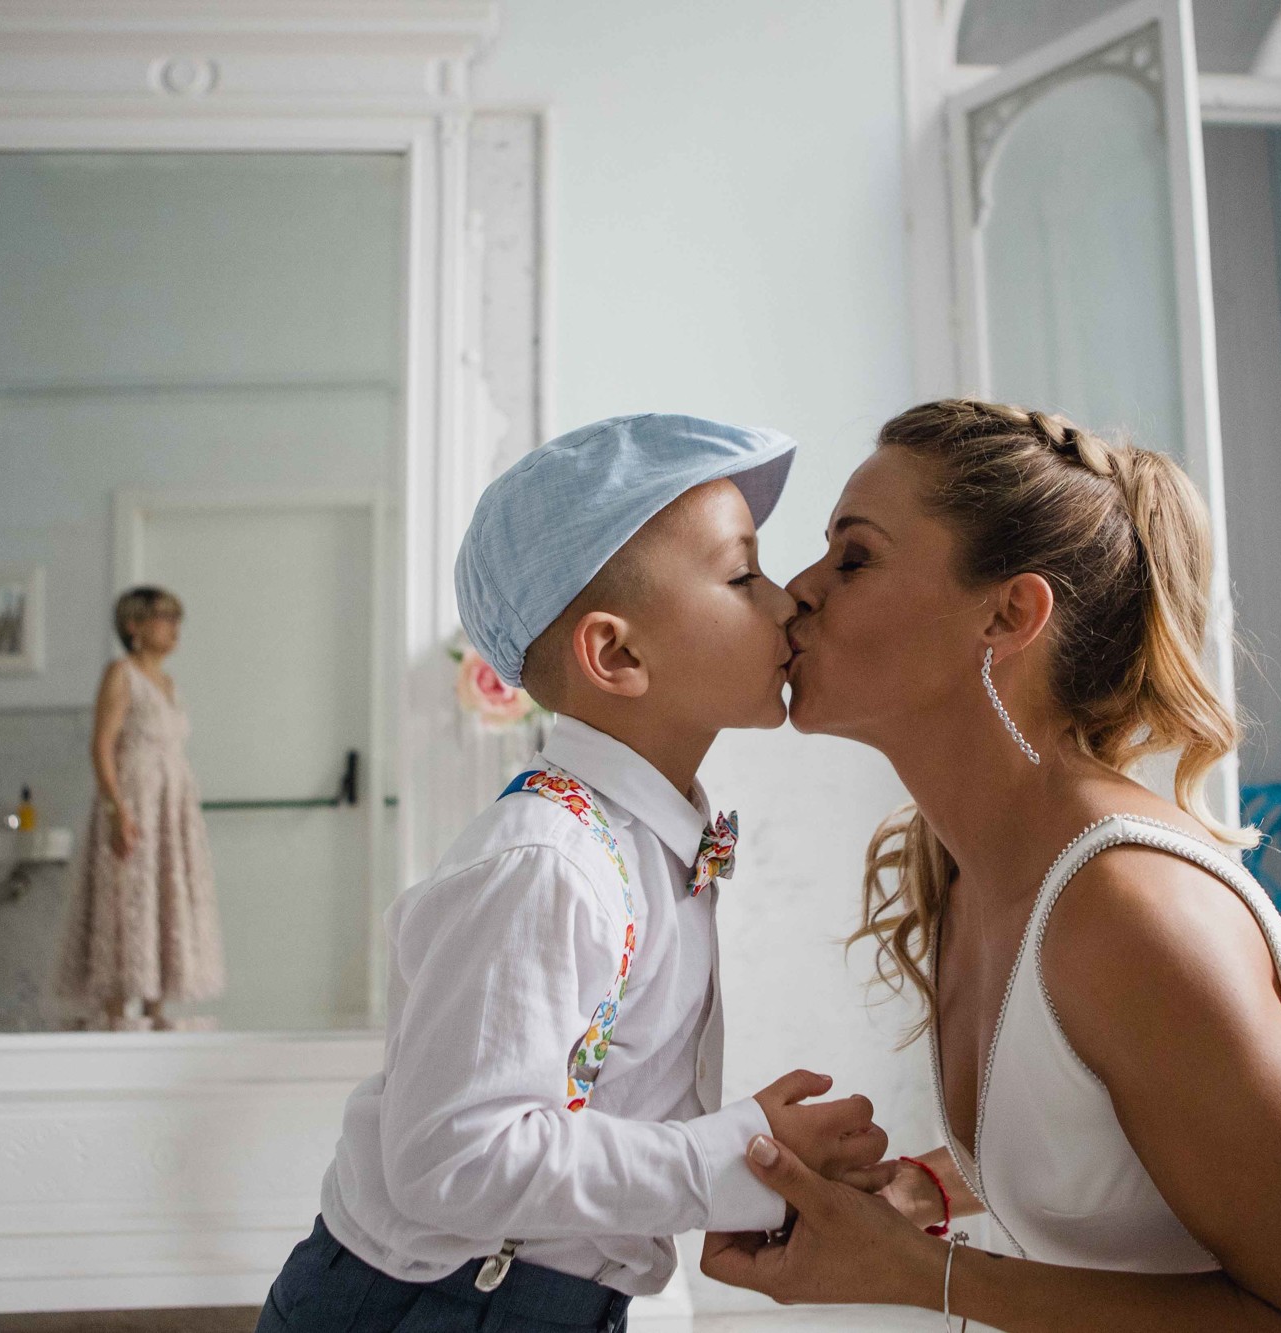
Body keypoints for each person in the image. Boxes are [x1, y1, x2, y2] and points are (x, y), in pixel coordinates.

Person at [702, 400, 1281, 1330]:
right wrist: (917, 1189)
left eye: (855, 556)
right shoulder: (968, 866)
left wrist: (923, 1276)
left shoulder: (1127, 910)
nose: (799, 588)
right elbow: (1107, 1139)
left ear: (1008, 612)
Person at [258, 415, 888, 1333]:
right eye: (742, 574)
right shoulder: (545, 863)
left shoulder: (646, 844)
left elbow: (612, 1108)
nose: (788, 598)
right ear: (618, 655)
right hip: (423, 1309)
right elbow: (453, 1161)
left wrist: (766, 1180)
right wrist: (732, 1156)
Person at [56, 586, 224, 1031]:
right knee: (127, 893)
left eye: (175, 620)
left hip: (171, 806)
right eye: (164, 619)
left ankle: (155, 1006)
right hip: (136, 800)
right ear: (135, 625)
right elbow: (102, 746)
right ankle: (116, 1008)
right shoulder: (121, 674)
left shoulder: (167, 683)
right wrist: (117, 811)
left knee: (164, 892)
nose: (173, 630)